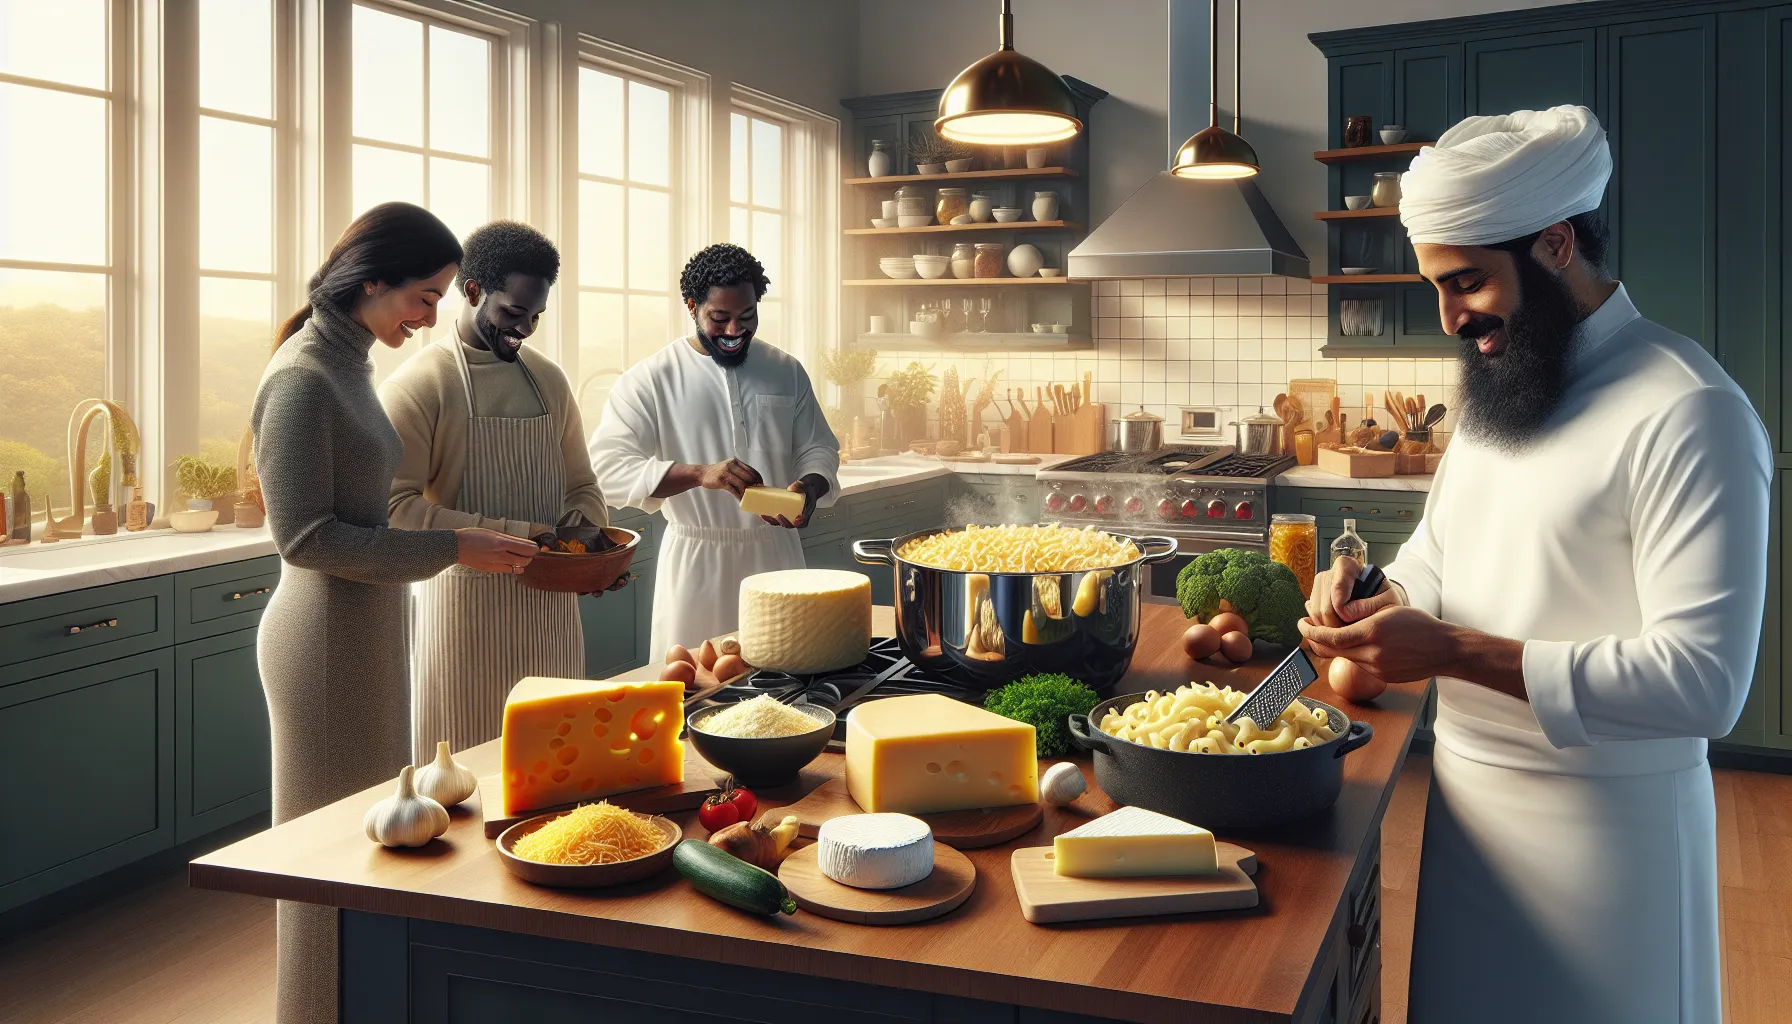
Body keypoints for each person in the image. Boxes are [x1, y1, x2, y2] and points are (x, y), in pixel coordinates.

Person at [1298, 106, 1771, 1022]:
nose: (1450, 318)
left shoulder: (1689, 411)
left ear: (1556, 244)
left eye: (1467, 281)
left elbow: (1704, 685)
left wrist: (1449, 651)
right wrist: (1380, 594)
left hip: (1611, 854)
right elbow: (1439, 552)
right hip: (1467, 818)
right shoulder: (1504, 388)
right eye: (1437, 287)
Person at [251, 202, 539, 1024]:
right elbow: (305, 539)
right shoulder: (305, 376)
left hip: (365, 633)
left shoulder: (347, 364)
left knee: (367, 850)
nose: (430, 316)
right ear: (372, 280)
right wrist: (453, 547)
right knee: (325, 860)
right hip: (324, 643)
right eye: (425, 295)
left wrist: (454, 543)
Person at [380, 220, 616, 766]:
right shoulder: (420, 385)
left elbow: (582, 485)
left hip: (551, 616)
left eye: (536, 317)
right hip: (464, 619)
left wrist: (588, 550)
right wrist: (528, 538)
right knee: (467, 778)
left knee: (559, 770)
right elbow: (392, 509)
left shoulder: (549, 381)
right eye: (513, 313)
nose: (525, 329)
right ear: (472, 291)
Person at [588, 243, 840, 657]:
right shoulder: (650, 379)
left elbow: (819, 448)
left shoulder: (786, 370)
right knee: (694, 680)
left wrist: (810, 487)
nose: (734, 331)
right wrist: (699, 474)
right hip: (696, 564)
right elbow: (608, 470)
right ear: (692, 306)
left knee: (787, 677)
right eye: (719, 318)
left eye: (747, 316)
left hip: (776, 556)